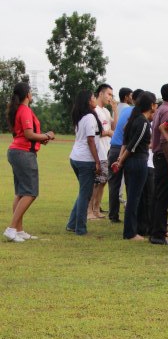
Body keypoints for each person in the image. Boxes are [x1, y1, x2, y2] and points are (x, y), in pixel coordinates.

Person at [4, 82, 55, 242]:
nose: (31, 94)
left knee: (21, 193)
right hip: (23, 153)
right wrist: (47, 135)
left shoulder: (18, 109)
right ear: (27, 94)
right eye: (31, 91)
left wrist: (42, 138)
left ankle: (18, 230)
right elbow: (28, 134)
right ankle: (11, 228)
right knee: (30, 192)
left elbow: (26, 135)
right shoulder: (25, 110)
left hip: (17, 152)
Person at [111, 92, 157, 240]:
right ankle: (130, 233)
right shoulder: (143, 122)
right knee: (134, 198)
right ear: (151, 105)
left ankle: (131, 230)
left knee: (133, 196)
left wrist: (120, 159)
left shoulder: (133, 120)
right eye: (155, 103)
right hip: (138, 162)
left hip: (131, 162)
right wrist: (121, 160)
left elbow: (125, 143)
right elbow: (133, 146)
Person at [66, 90, 103, 236]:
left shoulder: (81, 117)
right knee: (85, 194)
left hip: (76, 157)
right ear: (88, 101)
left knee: (84, 192)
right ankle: (80, 228)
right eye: (93, 97)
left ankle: (71, 224)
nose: (95, 99)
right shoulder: (89, 117)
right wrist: (97, 161)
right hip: (85, 160)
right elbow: (90, 140)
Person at [149, 83, 168, 245]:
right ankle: (158, 234)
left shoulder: (161, 109)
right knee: (163, 197)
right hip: (165, 157)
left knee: (159, 195)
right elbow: (165, 140)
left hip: (159, 156)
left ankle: (155, 231)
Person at [108, 87, 141, 222]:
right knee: (130, 184)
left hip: (114, 148)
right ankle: (130, 216)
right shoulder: (136, 112)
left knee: (114, 184)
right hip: (124, 149)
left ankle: (113, 215)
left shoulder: (127, 110)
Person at [88, 83, 114, 220]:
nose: (110, 97)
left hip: (107, 150)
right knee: (96, 182)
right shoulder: (95, 111)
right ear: (101, 94)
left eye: (111, 95)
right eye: (109, 94)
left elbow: (115, 127)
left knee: (103, 181)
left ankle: (97, 209)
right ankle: (89, 211)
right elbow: (95, 132)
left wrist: (115, 110)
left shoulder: (106, 111)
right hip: (99, 151)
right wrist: (108, 132)